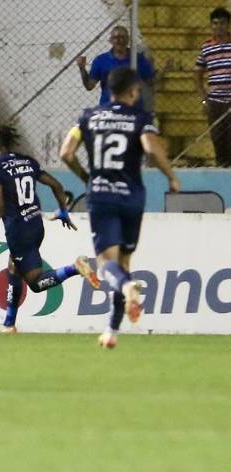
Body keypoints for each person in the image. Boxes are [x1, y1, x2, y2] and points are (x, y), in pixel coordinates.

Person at [60, 67, 180, 349]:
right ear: (132, 91)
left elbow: (66, 152)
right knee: (124, 264)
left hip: (101, 195)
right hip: (132, 198)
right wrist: (171, 176)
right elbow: (150, 150)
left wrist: (86, 178)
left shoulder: (88, 118)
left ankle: (127, 288)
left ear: (109, 90)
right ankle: (112, 330)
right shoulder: (141, 118)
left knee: (108, 266)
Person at [0, 126, 99, 333]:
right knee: (14, 268)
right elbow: (57, 186)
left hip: (18, 232)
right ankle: (9, 324)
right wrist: (63, 211)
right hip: (35, 225)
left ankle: (75, 268)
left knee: (35, 283)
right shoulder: (26, 161)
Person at [76, 25, 155, 111]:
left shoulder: (138, 59)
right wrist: (82, 68)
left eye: (122, 37)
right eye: (115, 37)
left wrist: (164, 71)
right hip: (108, 109)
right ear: (110, 40)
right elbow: (89, 86)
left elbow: (150, 82)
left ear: (128, 39)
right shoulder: (101, 60)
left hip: (133, 109)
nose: (119, 40)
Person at [195, 6, 231, 167]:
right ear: (211, 26)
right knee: (218, 138)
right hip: (215, 102)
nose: (218, 27)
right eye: (215, 23)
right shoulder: (206, 47)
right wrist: (204, 99)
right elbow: (197, 74)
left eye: (222, 23)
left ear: (228, 25)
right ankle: (222, 171)